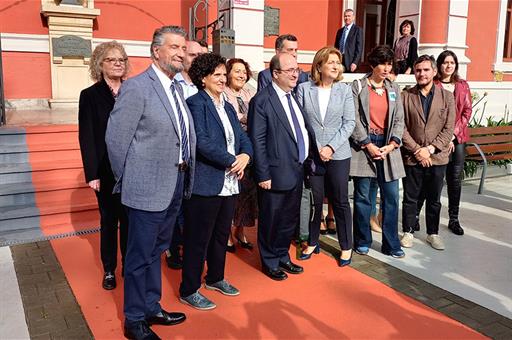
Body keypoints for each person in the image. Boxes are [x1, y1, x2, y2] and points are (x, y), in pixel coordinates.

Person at [106, 25, 194, 340]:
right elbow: (116, 141)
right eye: (174, 47)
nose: (181, 53)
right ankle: (133, 320)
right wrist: (132, 181)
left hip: (174, 184)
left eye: (183, 48)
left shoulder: (177, 88)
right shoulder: (137, 88)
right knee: (138, 256)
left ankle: (151, 307)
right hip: (145, 190)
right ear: (156, 51)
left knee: (157, 251)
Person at [179, 53, 253, 310]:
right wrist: (233, 160)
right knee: (198, 238)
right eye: (217, 75)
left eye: (224, 74)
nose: (223, 79)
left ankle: (215, 277)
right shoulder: (196, 104)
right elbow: (201, 141)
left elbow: (243, 138)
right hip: (207, 182)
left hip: (230, 182)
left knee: (221, 235)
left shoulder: (228, 106)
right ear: (203, 78)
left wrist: (245, 155)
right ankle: (189, 289)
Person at [249, 52, 319, 281]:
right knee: (271, 220)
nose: (295, 74)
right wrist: (263, 173)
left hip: (296, 170)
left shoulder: (293, 97)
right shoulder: (262, 101)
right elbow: (257, 140)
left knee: (288, 219)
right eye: (289, 70)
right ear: (275, 73)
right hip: (274, 173)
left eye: (296, 69)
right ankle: (269, 261)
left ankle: (282, 256)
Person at [296, 47, 355, 266]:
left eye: (337, 62)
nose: (335, 66)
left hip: (338, 154)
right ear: (319, 65)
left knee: (340, 201)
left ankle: (346, 246)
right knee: (314, 200)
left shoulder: (344, 90)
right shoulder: (303, 89)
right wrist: (318, 147)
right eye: (330, 62)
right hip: (313, 155)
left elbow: (349, 122)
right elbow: (301, 122)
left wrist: (330, 147)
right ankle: (312, 241)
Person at [78, 41, 129, 291]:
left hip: (132, 169)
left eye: (122, 59)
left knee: (130, 221)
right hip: (105, 169)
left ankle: (129, 265)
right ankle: (109, 269)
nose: (118, 63)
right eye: (112, 59)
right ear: (100, 64)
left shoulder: (133, 90)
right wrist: (92, 173)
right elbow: (86, 135)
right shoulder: (90, 95)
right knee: (109, 221)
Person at [350, 45, 406, 258]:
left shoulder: (394, 89)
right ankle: (363, 240)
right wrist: (367, 143)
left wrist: (392, 144)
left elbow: (399, 119)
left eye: (389, 64)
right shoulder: (358, 86)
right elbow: (353, 118)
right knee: (363, 197)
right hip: (365, 145)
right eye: (382, 63)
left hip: (388, 147)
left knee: (391, 197)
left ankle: (391, 243)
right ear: (373, 64)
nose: (386, 68)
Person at [400, 55, 455, 251]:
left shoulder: (447, 97)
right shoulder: (406, 96)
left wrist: (430, 150)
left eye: (425, 70)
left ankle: (433, 233)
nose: (421, 74)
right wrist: (417, 150)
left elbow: (449, 129)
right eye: (418, 70)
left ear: (433, 72)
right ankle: (408, 231)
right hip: (412, 157)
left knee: (434, 199)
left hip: (437, 158)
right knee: (410, 197)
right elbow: (401, 127)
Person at [416, 51, 471, 236]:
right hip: (436, 141)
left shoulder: (462, 85)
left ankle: (454, 219)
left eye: (452, 63)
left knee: (454, 180)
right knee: (430, 179)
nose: (448, 66)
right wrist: (443, 140)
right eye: (445, 62)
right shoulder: (434, 85)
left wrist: (453, 136)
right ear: (438, 65)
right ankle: (415, 215)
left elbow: (466, 112)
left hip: (457, 139)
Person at [165, 39, 206, 270]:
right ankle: (173, 248)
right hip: (178, 158)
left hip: (200, 160)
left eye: (201, 54)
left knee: (192, 211)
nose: (196, 59)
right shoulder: (174, 84)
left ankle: (190, 248)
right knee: (175, 208)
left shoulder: (204, 85)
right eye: (192, 55)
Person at [224, 58, 257, 252]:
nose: (241, 75)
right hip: (232, 149)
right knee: (233, 192)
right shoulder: (224, 93)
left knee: (247, 193)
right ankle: (227, 232)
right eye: (237, 71)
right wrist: (246, 117)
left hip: (249, 148)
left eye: (244, 72)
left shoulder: (251, 93)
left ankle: (240, 230)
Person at [334, 9, 363, 73]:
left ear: (353, 17)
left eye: (349, 16)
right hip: (340, 61)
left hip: (350, 62)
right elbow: (335, 47)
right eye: (345, 16)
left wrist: (355, 62)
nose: (347, 18)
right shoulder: (340, 31)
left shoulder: (357, 30)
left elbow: (359, 48)